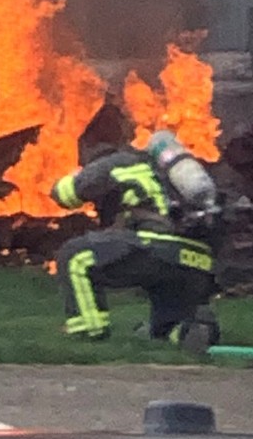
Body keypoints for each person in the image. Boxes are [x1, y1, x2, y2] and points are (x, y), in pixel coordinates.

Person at [50, 140, 220, 354]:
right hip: (196, 258)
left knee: (74, 256)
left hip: (156, 246)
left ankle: (89, 335)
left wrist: (66, 180)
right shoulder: (177, 174)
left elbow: (66, 194)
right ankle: (192, 330)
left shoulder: (120, 163)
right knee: (164, 330)